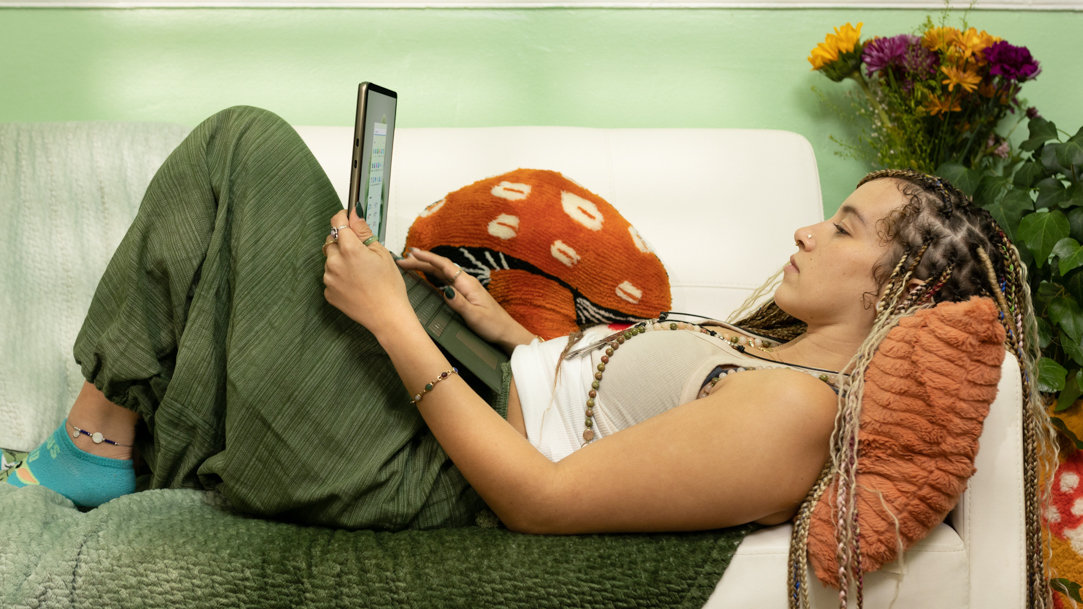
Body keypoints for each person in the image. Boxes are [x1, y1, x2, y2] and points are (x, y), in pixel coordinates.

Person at [2, 106, 1054, 606]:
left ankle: (99, 435)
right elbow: (600, 405)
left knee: (244, 148)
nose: (807, 234)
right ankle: (109, 433)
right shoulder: (763, 357)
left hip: (435, 467)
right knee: (262, 193)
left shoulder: (795, 412)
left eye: (845, 228)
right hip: (478, 377)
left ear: (901, 284)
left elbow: (541, 500)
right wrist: (499, 330)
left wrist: (394, 326)